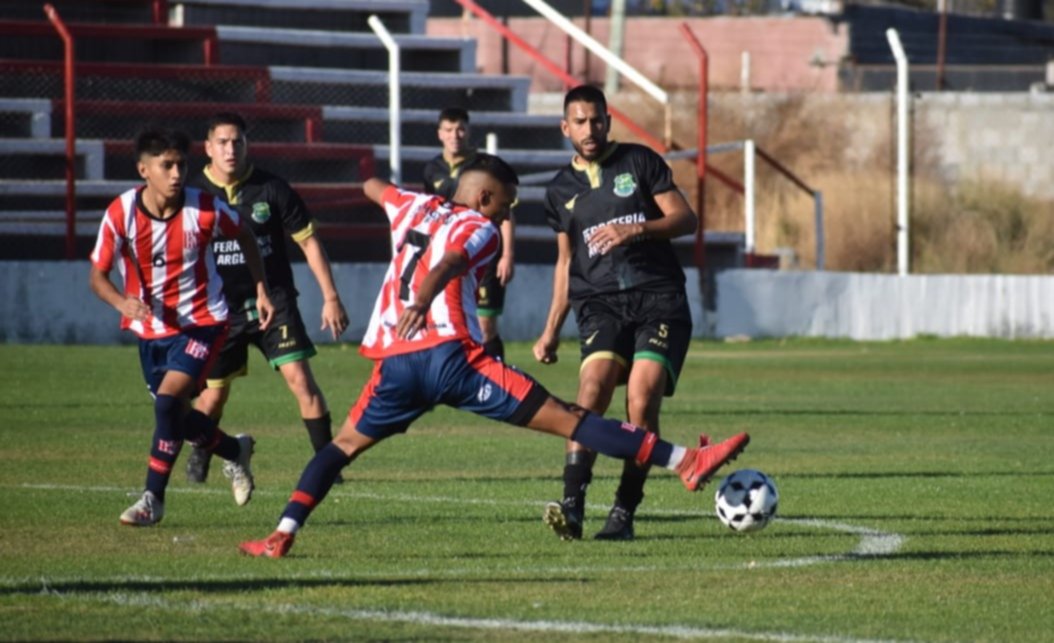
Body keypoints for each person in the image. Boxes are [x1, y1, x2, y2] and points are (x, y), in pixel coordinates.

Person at [238, 153, 748, 558]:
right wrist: (424, 296)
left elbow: (373, 186)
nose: (504, 217)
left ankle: (282, 534)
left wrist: (385, 194)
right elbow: (456, 258)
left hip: (395, 363)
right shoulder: (478, 228)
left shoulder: (410, 206)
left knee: (340, 447)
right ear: (482, 198)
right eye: (503, 207)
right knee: (572, 419)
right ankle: (685, 460)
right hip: (453, 360)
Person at [532, 85, 699, 541]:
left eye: (597, 120)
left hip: (658, 297)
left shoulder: (639, 162)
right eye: (580, 122)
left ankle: (624, 512)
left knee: (641, 401)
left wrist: (636, 228)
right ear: (566, 127)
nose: (590, 129)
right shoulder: (559, 191)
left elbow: (686, 219)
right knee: (591, 390)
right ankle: (573, 504)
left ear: (608, 120)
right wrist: (550, 330)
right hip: (600, 303)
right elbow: (565, 263)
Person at [89, 127, 274, 526]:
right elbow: (98, 276)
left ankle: (152, 499)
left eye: (181, 165)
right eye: (166, 165)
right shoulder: (120, 213)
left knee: (169, 403)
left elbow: (245, 235)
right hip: (151, 330)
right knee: (175, 414)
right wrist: (123, 302)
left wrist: (261, 288)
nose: (176, 174)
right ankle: (233, 450)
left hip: (204, 321)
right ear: (144, 170)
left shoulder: (204, 208)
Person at [183, 112, 350, 485]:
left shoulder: (272, 188)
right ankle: (201, 453)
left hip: (274, 302)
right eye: (222, 142)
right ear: (208, 148)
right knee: (212, 399)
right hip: (220, 311)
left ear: (247, 145)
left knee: (301, 381)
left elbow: (308, 241)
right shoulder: (194, 196)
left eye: (237, 141)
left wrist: (331, 296)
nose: (231, 149)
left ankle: (327, 465)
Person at [421, 107, 515, 361]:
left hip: (483, 252)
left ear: (469, 131)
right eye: (449, 129)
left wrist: (507, 254)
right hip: (450, 253)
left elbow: (505, 212)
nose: (456, 135)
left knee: (486, 326)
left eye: (461, 129)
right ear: (440, 133)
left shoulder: (482, 165)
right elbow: (432, 213)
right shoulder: (432, 169)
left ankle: (498, 376)